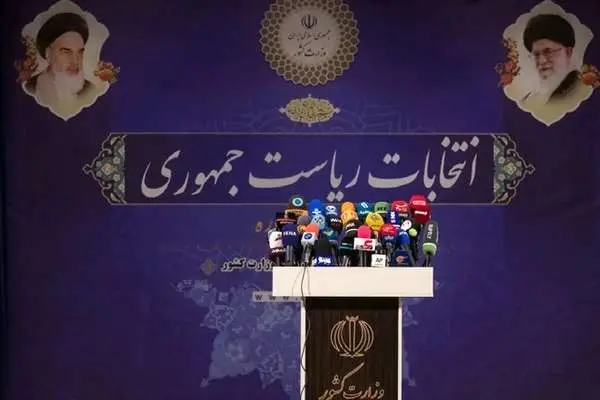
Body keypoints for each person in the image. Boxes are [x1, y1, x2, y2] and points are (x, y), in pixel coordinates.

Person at [24, 12, 99, 113]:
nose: (75, 61)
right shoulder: (30, 87)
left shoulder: (90, 90)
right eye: (66, 52)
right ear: (48, 53)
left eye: (80, 52)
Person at [519, 13, 588, 110]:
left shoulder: (580, 89)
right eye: (536, 54)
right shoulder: (528, 100)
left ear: (568, 52)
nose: (542, 60)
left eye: (548, 52)